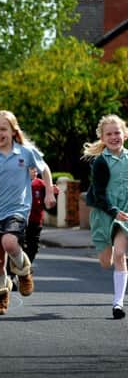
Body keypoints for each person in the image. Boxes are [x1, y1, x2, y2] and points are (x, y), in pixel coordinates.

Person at [0, 110, 56, 315]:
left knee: (9, 242)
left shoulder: (25, 152)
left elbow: (45, 170)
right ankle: (1, 296)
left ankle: (24, 271)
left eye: (3, 129)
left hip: (17, 210)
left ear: (13, 130)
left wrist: (49, 192)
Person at [83, 114, 128, 320]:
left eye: (117, 132)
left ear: (125, 134)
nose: (114, 137)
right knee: (105, 262)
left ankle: (118, 303)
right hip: (104, 213)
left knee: (119, 254)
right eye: (108, 134)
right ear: (102, 138)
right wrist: (111, 210)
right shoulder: (101, 162)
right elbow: (99, 193)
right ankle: (116, 259)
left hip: (125, 214)